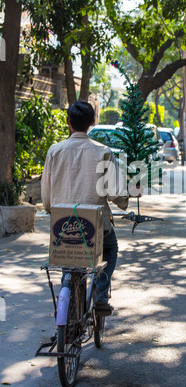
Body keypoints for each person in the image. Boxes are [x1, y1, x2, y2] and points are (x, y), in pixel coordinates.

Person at [41, 101, 129, 314]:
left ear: (68, 122)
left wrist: (51, 209)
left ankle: (68, 300)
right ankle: (100, 297)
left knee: (68, 258)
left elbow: (46, 197)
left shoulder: (55, 151)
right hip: (95, 226)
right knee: (111, 248)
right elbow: (116, 192)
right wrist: (125, 202)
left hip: (63, 223)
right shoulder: (103, 152)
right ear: (92, 122)